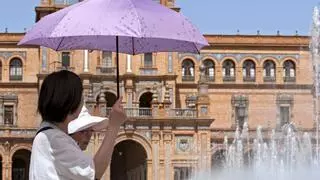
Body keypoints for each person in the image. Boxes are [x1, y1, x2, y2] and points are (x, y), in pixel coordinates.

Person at [29, 70, 127, 180]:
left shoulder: (48, 135)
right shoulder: (54, 138)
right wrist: (114, 126)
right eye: (80, 97)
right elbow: (94, 173)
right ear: (71, 102)